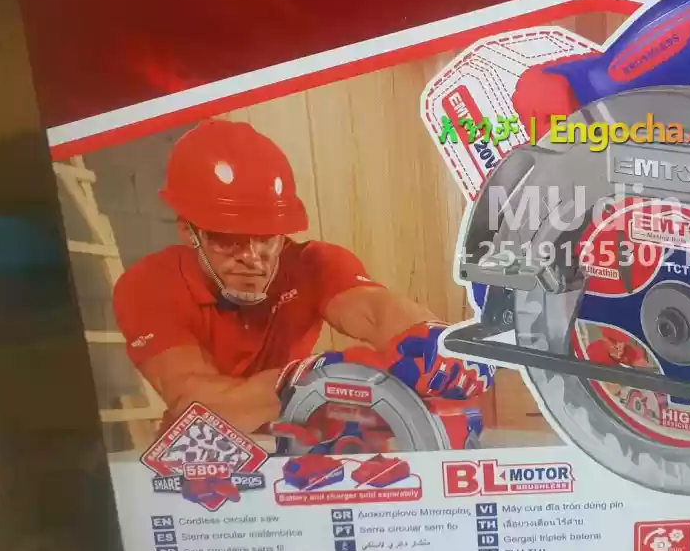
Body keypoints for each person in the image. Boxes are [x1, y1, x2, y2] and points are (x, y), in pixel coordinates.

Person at [112, 119, 491, 433]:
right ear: (189, 232)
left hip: (295, 439)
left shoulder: (312, 264)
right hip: (206, 456)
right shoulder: (148, 286)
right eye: (227, 239)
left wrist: (436, 341)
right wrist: (306, 379)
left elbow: (376, 310)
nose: (252, 258)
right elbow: (193, 404)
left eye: (266, 237)